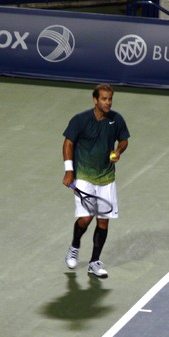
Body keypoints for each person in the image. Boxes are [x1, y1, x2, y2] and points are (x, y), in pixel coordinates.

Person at [62, 84, 130, 278]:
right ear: (95, 100)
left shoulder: (116, 119)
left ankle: (94, 262)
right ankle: (74, 246)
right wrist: (69, 171)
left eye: (110, 99)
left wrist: (118, 151)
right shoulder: (80, 120)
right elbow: (68, 143)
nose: (108, 102)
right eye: (104, 99)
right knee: (86, 217)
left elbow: (124, 140)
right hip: (84, 175)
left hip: (107, 176)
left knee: (103, 221)